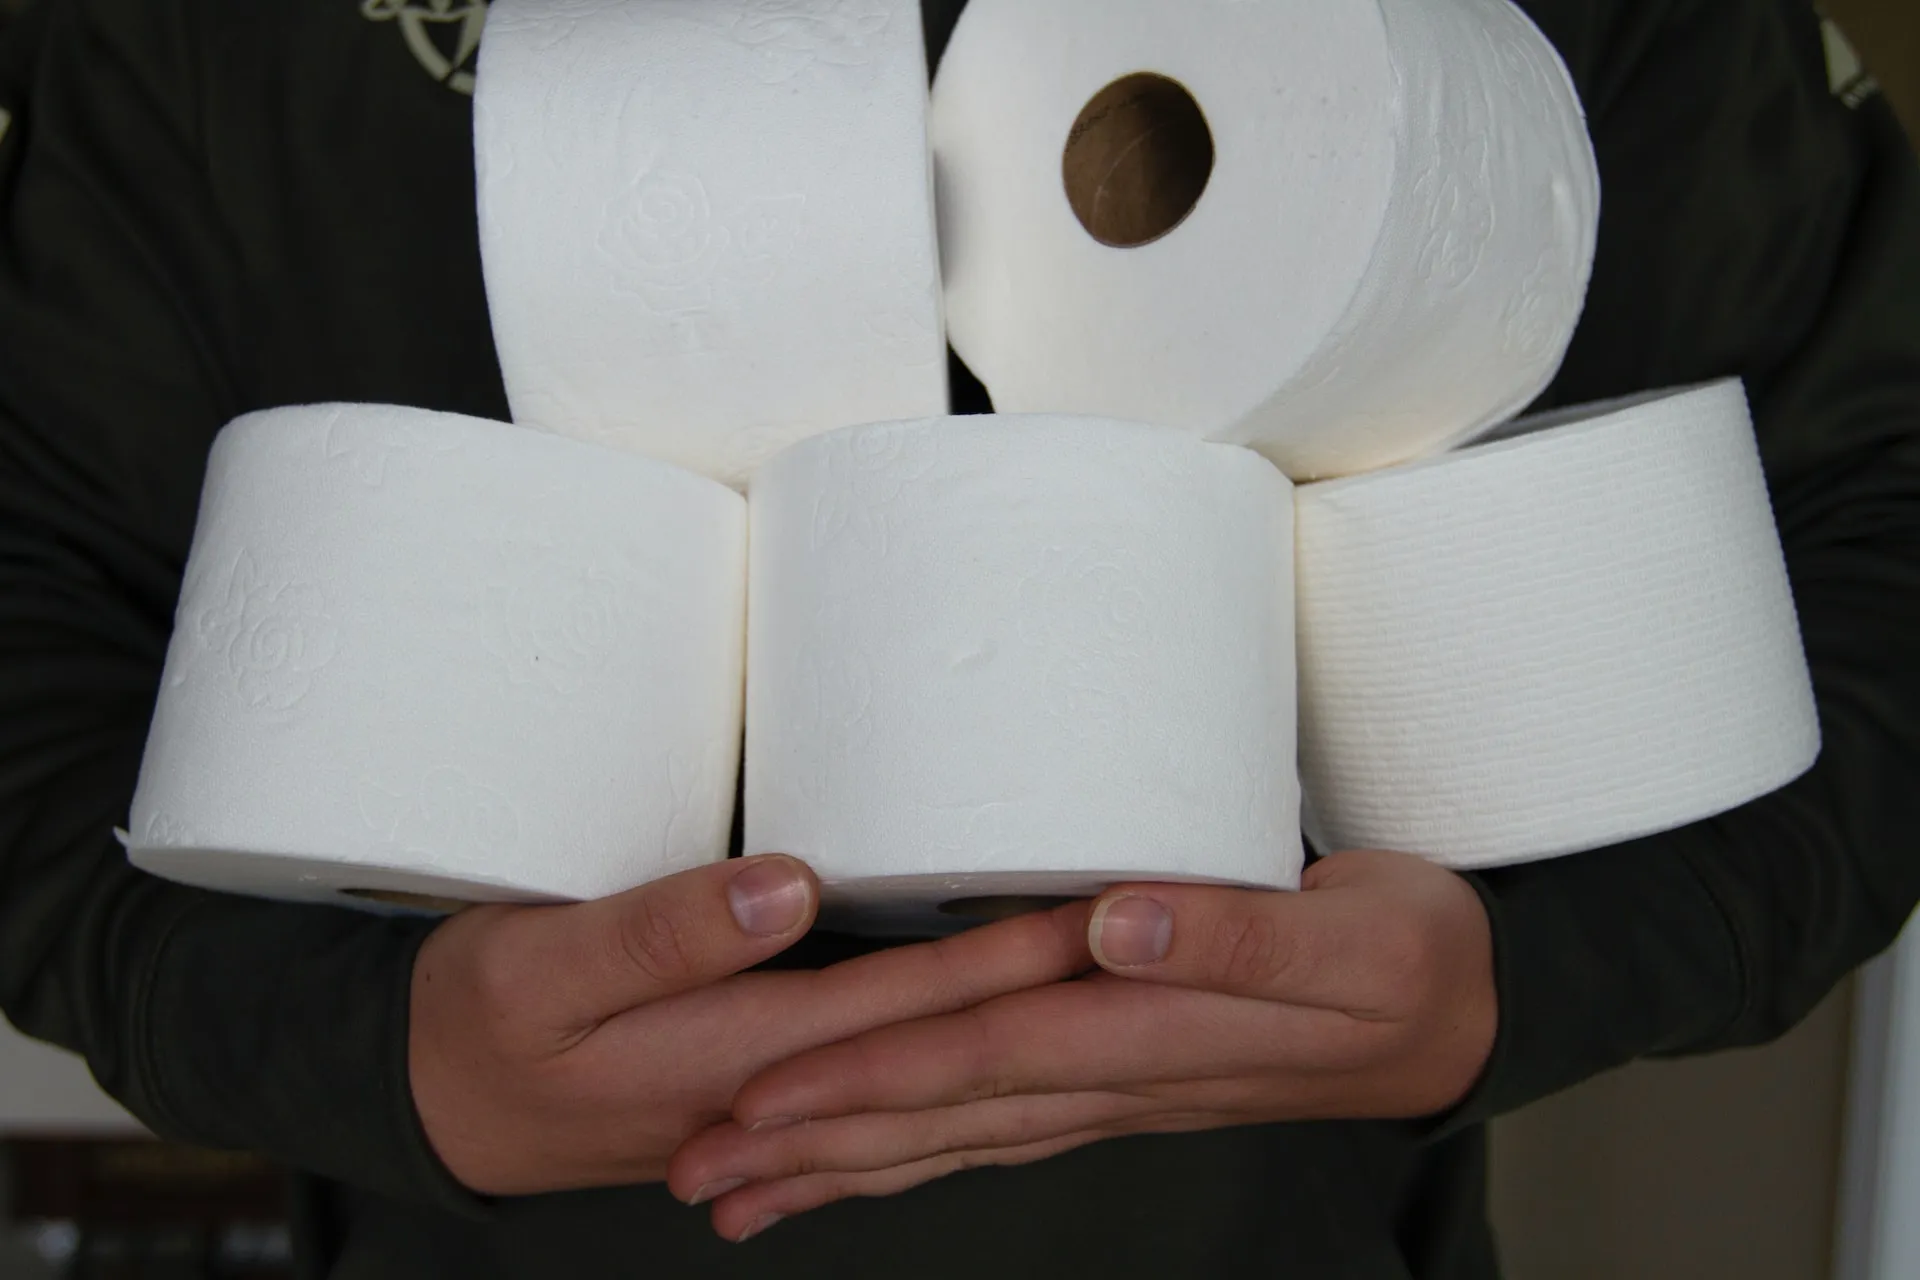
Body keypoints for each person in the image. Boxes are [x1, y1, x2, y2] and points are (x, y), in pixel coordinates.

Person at [1, 0, 1915, 1275]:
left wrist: (1528, 980)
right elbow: (36, 596)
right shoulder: (207, 47)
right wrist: (355, 1047)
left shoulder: (1514, 50)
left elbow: (1882, 510)